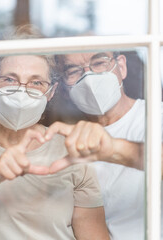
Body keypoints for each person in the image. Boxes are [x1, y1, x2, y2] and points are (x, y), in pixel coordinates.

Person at [0, 27, 110, 240]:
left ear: (51, 92)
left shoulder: (71, 153)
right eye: (9, 79)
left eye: (36, 82)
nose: (21, 91)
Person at [37, 51, 163, 240]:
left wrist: (114, 149)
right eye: (73, 71)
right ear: (63, 89)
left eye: (99, 62)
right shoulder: (64, 140)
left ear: (121, 66)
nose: (88, 77)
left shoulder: (157, 116)